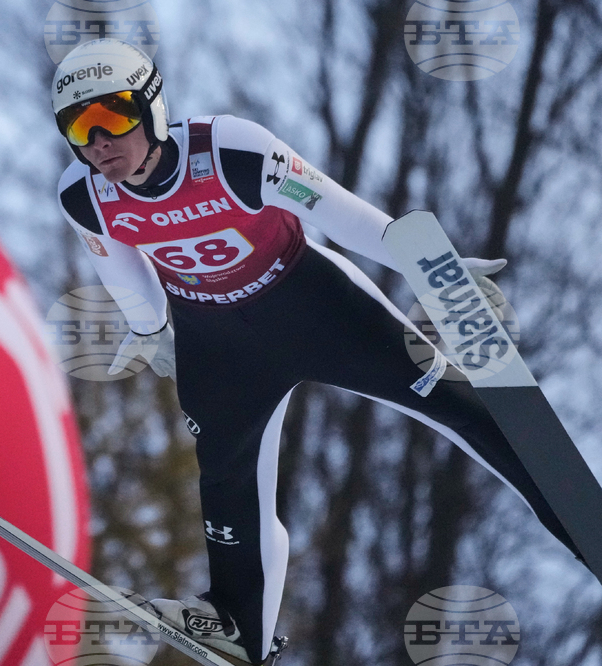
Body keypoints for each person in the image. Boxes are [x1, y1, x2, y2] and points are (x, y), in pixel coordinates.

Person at [51, 39, 581, 665]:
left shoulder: (233, 152)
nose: (99, 141)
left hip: (311, 306)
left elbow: (341, 214)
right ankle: (239, 623)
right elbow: (123, 271)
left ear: (152, 107)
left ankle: (574, 508)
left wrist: (427, 264)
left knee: (452, 402)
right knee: (228, 482)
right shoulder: (85, 195)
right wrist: (148, 328)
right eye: (80, 127)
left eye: (111, 116)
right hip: (217, 344)